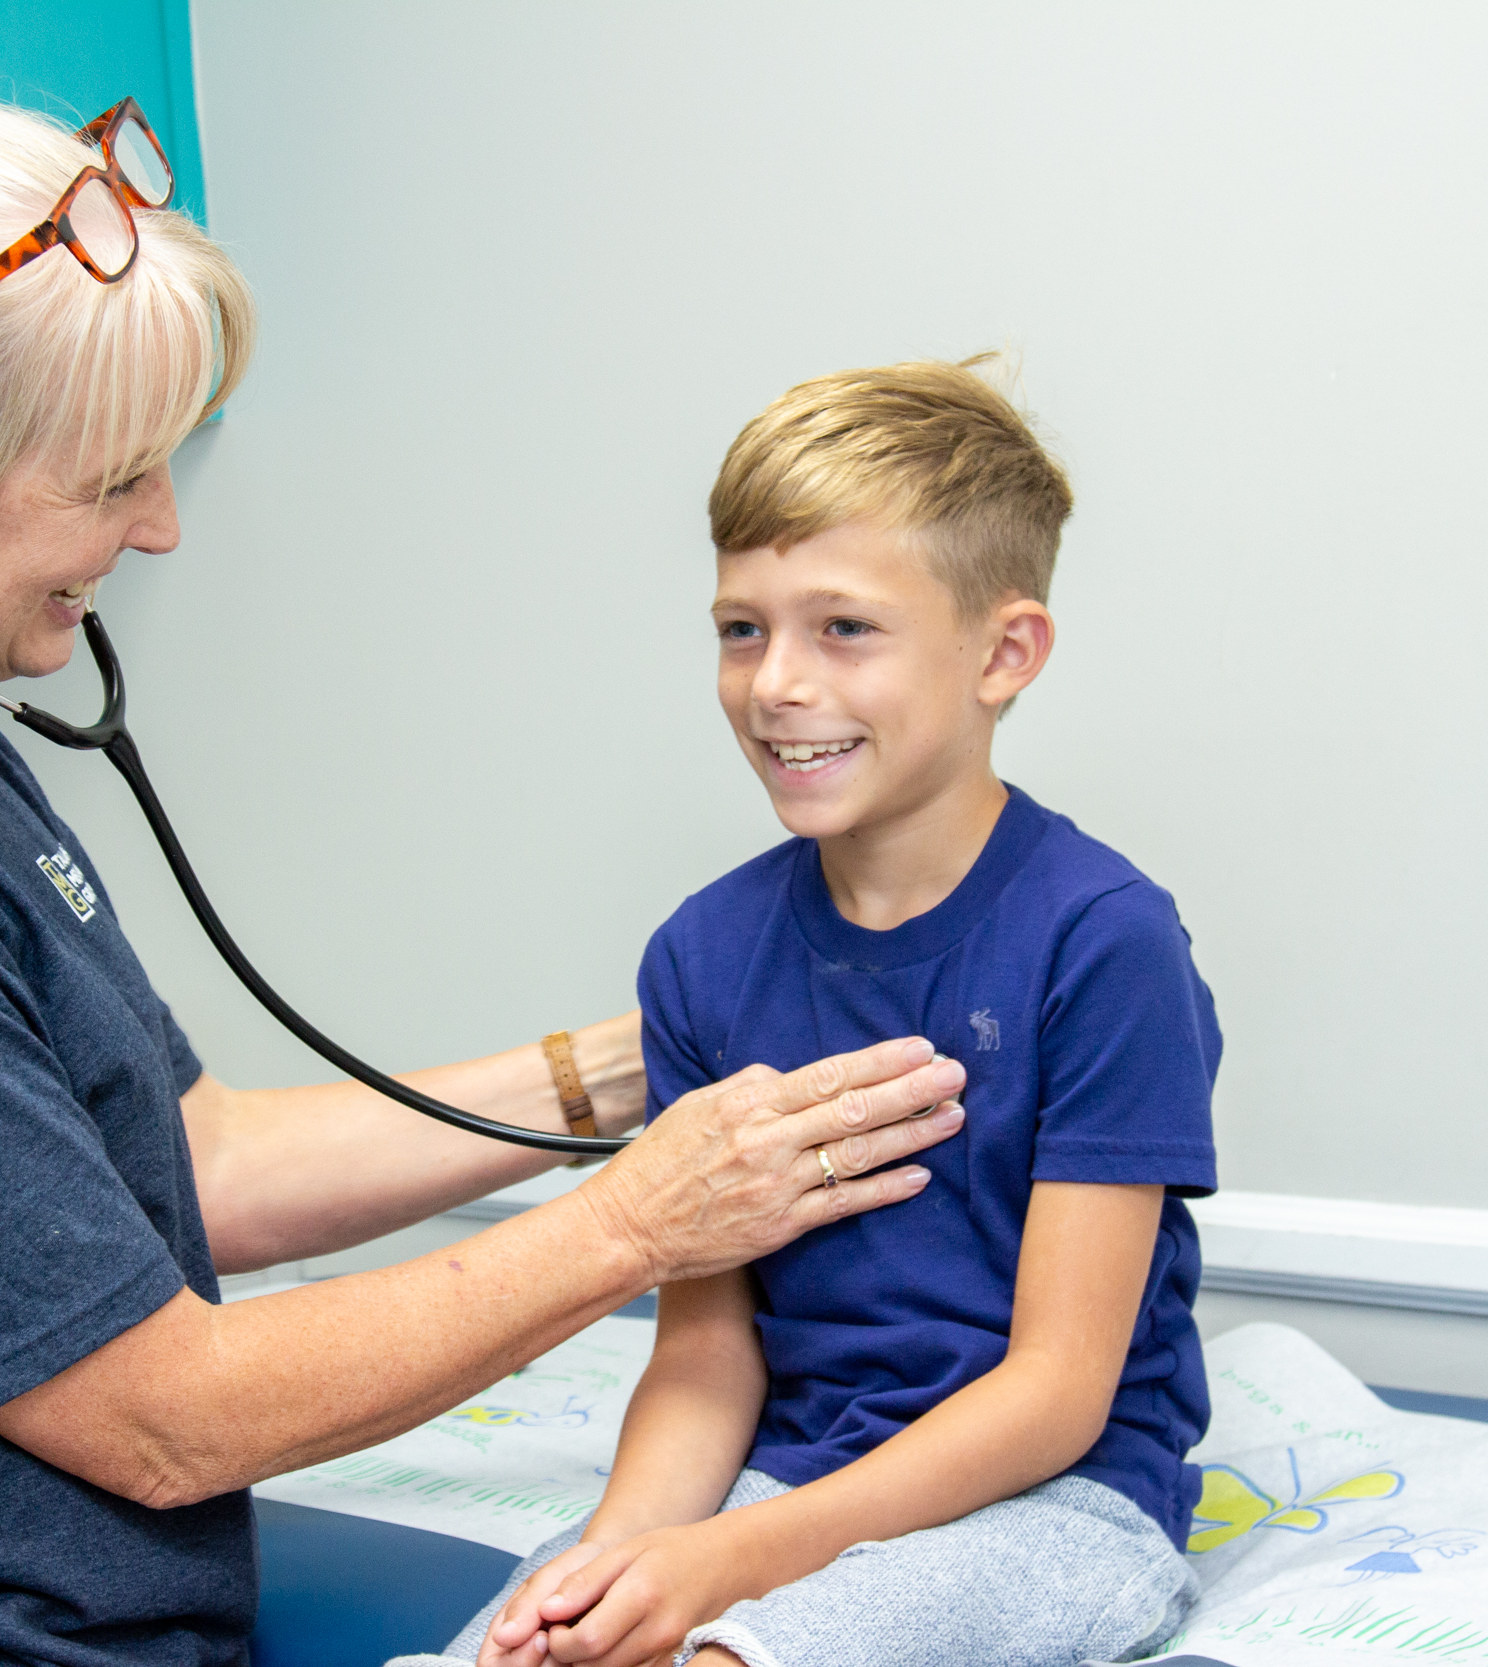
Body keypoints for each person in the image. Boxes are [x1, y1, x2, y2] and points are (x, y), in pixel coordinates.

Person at [0, 96, 970, 1666]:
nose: (159, 530)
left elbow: (195, 1162)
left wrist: (626, 1072)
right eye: (111, 483)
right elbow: (167, 1417)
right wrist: (644, 1222)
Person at [408, 360, 1223, 1667]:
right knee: (529, 1648)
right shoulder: (703, 954)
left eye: (843, 628)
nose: (776, 683)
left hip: (1053, 1508)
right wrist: (620, 1559)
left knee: (741, 1659)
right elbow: (707, 1357)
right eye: (742, 628)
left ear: (1004, 653)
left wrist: (727, 1568)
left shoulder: (1102, 942)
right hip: (781, 1485)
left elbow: (1059, 1395)